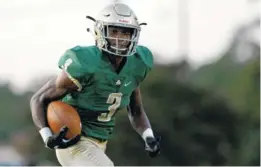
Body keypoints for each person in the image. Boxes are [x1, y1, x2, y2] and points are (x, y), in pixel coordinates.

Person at [30, 2, 160, 166]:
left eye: (125, 33)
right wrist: (47, 137)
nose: (119, 38)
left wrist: (148, 136)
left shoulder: (136, 65)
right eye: (113, 31)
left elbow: (136, 111)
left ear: (133, 35)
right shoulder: (85, 64)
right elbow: (38, 99)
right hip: (74, 141)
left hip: (100, 142)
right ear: (100, 31)